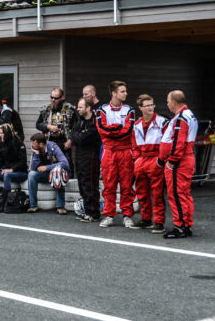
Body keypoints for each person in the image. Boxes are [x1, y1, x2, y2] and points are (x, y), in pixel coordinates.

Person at [96, 80, 137, 228]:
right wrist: (117, 129)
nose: (126, 94)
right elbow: (102, 130)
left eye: (125, 91)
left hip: (126, 151)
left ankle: (127, 215)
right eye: (122, 91)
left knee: (127, 185)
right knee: (109, 185)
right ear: (114, 93)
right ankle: (109, 215)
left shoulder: (130, 110)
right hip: (108, 151)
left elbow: (128, 130)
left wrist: (112, 131)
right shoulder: (101, 110)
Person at [158, 90, 198, 239]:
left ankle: (180, 227)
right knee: (184, 194)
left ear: (174, 102)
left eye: (168, 101)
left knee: (176, 194)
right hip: (186, 159)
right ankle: (185, 224)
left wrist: (172, 161)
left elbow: (178, 142)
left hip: (179, 162)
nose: (167, 104)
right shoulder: (189, 115)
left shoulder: (181, 118)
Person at [131, 94, 168, 232]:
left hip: (155, 159)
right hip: (141, 160)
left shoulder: (162, 122)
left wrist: (160, 160)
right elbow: (134, 145)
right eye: (147, 105)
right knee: (142, 192)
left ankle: (159, 221)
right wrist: (136, 159)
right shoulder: (136, 124)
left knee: (157, 193)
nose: (151, 108)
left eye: (152, 105)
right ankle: (146, 219)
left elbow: (167, 142)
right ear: (140, 108)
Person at [70, 97, 102, 223]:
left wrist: (77, 136)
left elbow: (82, 139)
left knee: (90, 186)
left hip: (91, 159)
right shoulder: (80, 121)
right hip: (79, 157)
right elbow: (73, 135)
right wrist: (77, 136)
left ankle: (93, 213)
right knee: (82, 185)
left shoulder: (94, 122)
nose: (78, 109)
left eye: (80, 107)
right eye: (78, 107)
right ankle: (86, 210)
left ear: (88, 108)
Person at [27, 133, 70, 214]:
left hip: (59, 174)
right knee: (31, 174)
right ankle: (33, 206)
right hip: (46, 175)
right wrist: (36, 154)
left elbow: (65, 163)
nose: (32, 145)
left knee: (57, 172)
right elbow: (33, 168)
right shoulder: (37, 149)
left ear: (41, 144)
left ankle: (60, 206)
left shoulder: (53, 147)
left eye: (34, 143)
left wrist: (47, 167)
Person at [36, 87, 75, 159]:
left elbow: (75, 127)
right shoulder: (46, 109)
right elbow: (38, 124)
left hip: (64, 142)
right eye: (52, 97)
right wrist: (48, 126)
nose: (53, 100)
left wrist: (70, 140)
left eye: (56, 98)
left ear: (62, 97)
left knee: (66, 165)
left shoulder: (70, 109)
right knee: (49, 164)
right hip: (49, 142)